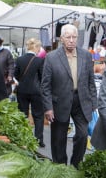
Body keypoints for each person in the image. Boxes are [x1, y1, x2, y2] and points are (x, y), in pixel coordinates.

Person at [41, 23, 97, 168]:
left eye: (74, 37)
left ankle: (75, 165)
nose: (72, 40)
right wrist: (48, 108)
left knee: (83, 134)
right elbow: (45, 85)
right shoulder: (51, 57)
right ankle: (60, 166)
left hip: (81, 101)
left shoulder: (85, 55)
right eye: (68, 37)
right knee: (58, 138)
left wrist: (93, 104)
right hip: (59, 102)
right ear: (61, 39)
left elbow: (91, 82)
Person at [15, 38, 45, 147]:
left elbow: (16, 75)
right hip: (36, 92)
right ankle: (38, 140)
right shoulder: (40, 61)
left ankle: (22, 138)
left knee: (23, 115)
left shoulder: (19, 59)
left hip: (22, 90)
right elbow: (42, 77)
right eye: (39, 48)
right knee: (38, 116)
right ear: (36, 47)